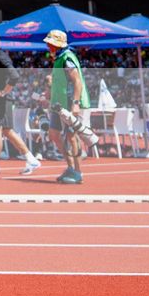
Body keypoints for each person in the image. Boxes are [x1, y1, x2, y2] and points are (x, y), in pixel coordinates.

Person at [0, 33, 40, 177]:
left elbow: (15, 76)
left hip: (3, 101)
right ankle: (31, 159)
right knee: (7, 131)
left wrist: (4, 92)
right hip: (1, 101)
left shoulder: (1, 57)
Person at [45, 29, 95, 185]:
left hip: (68, 103)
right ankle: (71, 167)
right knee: (54, 134)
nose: (48, 46)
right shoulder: (60, 58)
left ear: (57, 44)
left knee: (71, 137)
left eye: (50, 43)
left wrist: (75, 103)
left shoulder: (67, 58)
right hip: (58, 104)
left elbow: (77, 81)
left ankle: (78, 171)